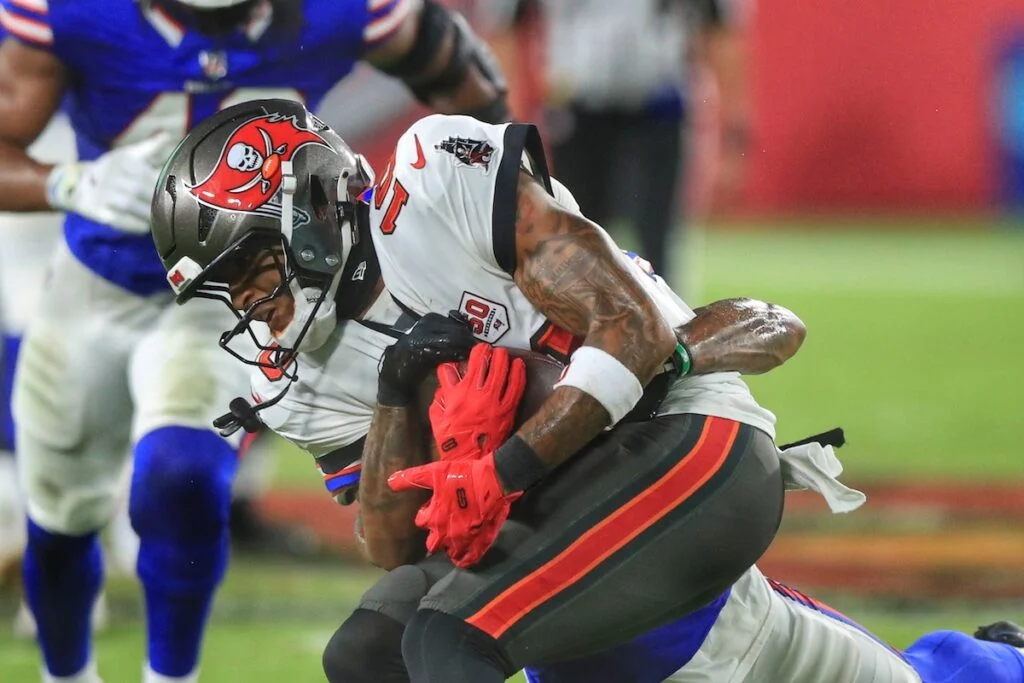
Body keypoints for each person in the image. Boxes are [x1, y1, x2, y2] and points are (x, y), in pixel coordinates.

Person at [148, 107, 1024, 683]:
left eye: (251, 263)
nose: (250, 301)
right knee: (369, 653)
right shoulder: (297, 371)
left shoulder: (431, 184)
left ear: (310, 208)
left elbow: (647, 330)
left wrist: (510, 457)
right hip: (577, 544)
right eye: (226, 287)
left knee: (448, 639)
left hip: (683, 453)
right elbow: (394, 544)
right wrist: (395, 388)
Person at [0, 1, 508, 681]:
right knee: (60, 517)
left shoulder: (336, 12)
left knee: (182, 477)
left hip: (235, 298)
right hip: (97, 287)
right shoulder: (80, 13)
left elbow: (472, 92)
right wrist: (70, 181)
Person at [483, 0, 753, 283]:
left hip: (658, 109)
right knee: (577, 250)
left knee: (660, 243)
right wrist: (509, 130)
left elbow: (719, 30)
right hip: (577, 109)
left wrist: (733, 137)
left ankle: (664, 311)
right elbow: (505, 30)